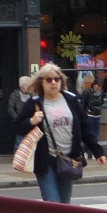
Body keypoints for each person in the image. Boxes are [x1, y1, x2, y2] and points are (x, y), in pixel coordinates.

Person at [15, 64, 97, 202]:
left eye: (56, 79)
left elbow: (85, 127)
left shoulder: (71, 100)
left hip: (69, 159)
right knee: (52, 202)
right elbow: (17, 127)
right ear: (42, 82)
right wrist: (31, 121)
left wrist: (97, 151)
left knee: (64, 203)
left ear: (61, 81)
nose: (53, 82)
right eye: (49, 79)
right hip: (45, 161)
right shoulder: (35, 103)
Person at [78, 72, 105, 159]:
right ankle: (85, 151)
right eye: (97, 86)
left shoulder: (101, 93)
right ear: (94, 85)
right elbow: (83, 103)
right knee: (88, 134)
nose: (98, 88)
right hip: (89, 115)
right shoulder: (87, 92)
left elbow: (101, 102)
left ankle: (94, 152)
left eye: (100, 86)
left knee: (95, 135)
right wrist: (83, 114)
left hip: (97, 115)